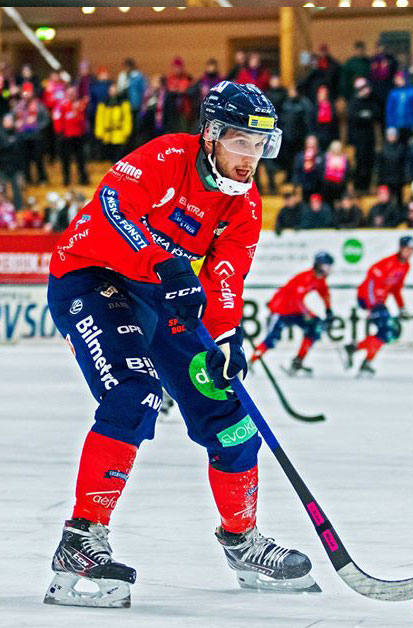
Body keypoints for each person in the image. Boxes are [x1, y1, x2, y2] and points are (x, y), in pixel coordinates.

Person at [43, 81, 316, 608]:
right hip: (93, 278)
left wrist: (228, 334)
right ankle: (81, 540)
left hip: (160, 297)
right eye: (241, 142)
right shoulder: (166, 156)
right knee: (136, 392)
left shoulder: (245, 205)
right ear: (211, 136)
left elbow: (228, 276)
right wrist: (166, 264)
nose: (250, 158)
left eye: (261, 146)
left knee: (230, 415)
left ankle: (242, 540)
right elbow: (113, 208)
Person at [250, 252, 334, 376]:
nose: (329, 269)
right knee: (271, 339)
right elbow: (295, 299)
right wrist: (308, 314)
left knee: (313, 329)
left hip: (294, 311)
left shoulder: (319, 280)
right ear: (319, 265)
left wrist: (328, 310)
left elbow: (324, 292)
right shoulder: (305, 277)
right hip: (280, 309)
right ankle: (250, 363)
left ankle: (297, 363)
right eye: (327, 266)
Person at [344, 236, 413, 377]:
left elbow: (396, 289)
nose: (409, 252)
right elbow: (370, 283)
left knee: (385, 333)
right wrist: (372, 305)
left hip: (379, 302)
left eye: (412, 250)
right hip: (367, 299)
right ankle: (361, 356)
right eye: (407, 249)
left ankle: (357, 351)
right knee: (386, 331)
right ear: (401, 248)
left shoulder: (405, 266)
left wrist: (402, 308)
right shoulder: (387, 263)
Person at [53, 87, 89, 187]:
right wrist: (60, 133)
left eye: (73, 93)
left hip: (78, 136)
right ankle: (66, 179)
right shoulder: (61, 105)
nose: (71, 95)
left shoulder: (79, 105)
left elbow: (82, 121)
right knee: (65, 160)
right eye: (70, 93)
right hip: (66, 137)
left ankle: (83, 179)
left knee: (80, 159)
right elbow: (57, 120)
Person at [347, 78, 377, 192]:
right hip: (358, 138)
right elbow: (354, 117)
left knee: (369, 162)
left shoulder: (371, 101)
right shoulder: (354, 101)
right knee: (359, 162)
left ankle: (367, 186)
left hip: (369, 137)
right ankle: (358, 187)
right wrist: (365, 116)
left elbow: (375, 114)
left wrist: (365, 116)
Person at [95, 84, 132, 163]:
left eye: (114, 90)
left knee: (119, 156)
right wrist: (100, 132)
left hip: (119, 133)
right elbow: (100, 118)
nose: (113, 92)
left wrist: (126, 131)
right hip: (107, 134)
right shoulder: (104, 103)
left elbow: (127, 118)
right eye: (111, 90)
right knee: (109, 156)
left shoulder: (123, 103)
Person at [386, 72, 413, 144]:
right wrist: (390, 124)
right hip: (397, 124)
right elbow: (389, 110)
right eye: (397, 79)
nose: (398, 81)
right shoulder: (393, 93)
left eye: (400, 79)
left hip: (411, 124)